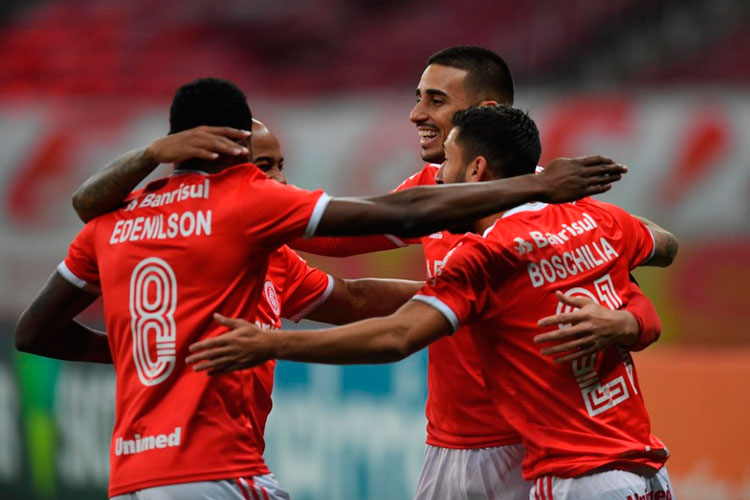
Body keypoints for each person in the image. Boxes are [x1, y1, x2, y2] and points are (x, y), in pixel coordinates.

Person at [68, 48, 660, 500]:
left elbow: (644, 256)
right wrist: (236, 211)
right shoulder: (431, 192)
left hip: (538, 444)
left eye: (433, 100)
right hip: (458, 442)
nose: (416, 114)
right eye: (417, 97)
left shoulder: (556, 202)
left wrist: (627, 322)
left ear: (481, 117)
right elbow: (336, 250)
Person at [186, 105, 678, 500]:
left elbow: (397, 336)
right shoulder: (598, 220)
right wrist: (629, 324)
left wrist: (269, 344)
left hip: (575, 478)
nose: (437, 175)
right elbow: (657, 261)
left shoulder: (486, 257)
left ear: (477, 168)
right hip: (647, 470)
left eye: (447, 161)